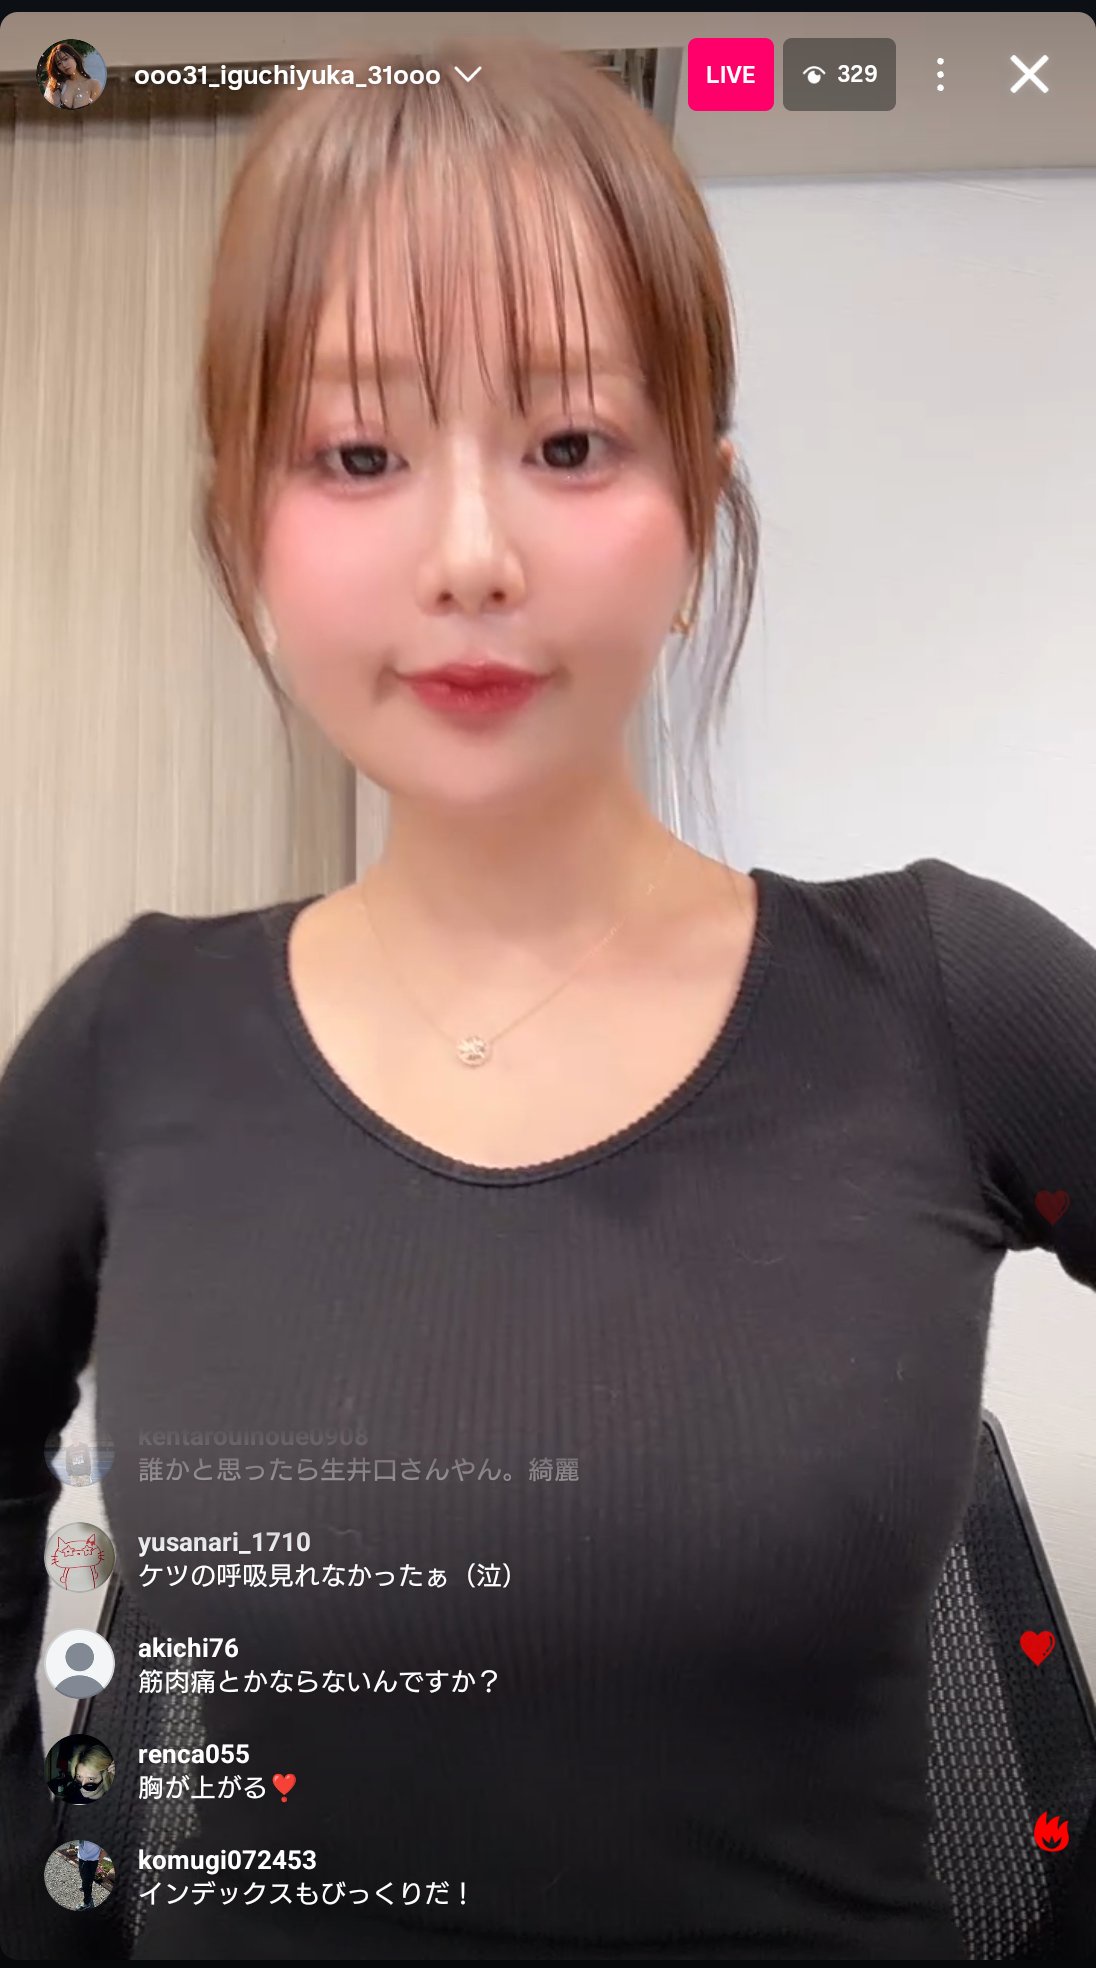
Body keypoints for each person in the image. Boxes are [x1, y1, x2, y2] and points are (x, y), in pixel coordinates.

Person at [1, 29, 1095, 1966]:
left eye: (570, 444)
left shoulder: (949, 998)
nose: (471, 555)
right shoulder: (123, 1044)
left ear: (697, 510)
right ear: (245, 522)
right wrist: (56, 1893)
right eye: (358, 456)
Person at [42, 44, 102, 110]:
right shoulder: (56, 85)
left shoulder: (94, 85)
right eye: (59, 63)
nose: (64, 65)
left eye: (65, 59)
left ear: (74, 57)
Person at [74, 1838, 101, 1908]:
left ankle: (87, 1902)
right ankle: (84, 1887)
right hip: (82, 1858)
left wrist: (98, 1860)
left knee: (87, 1882)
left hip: (91, 1860)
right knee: (83, 1876)